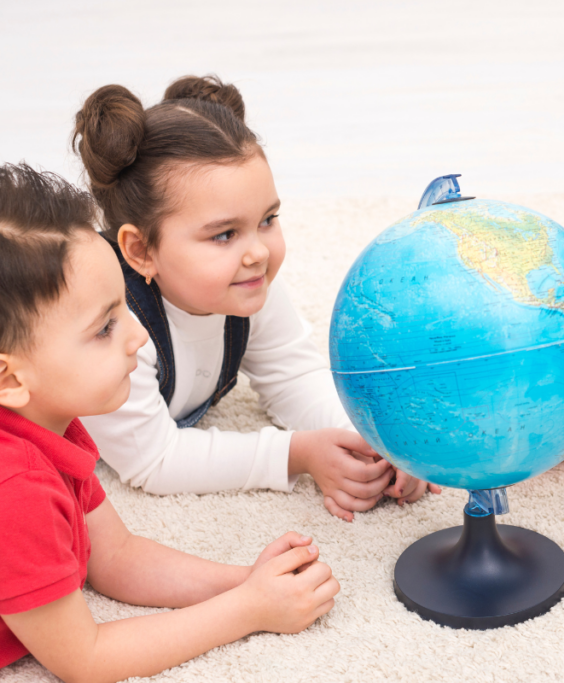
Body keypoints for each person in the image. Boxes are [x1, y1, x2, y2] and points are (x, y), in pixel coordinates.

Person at [0, 163, 339, 677]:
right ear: (10, 380)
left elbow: (114, 557)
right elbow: (85, 659)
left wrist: (247, 581)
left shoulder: (48, 423)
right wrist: (247, 611)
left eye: (125, 310)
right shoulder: (16, 489)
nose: (137, 337)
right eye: (104, 328)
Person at [73, 75, 438, 520]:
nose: (258, 252)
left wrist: (370, 440)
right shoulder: (109, 324)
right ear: (140, 250)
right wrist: (296, 454)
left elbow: (294, 376)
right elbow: (154, 459)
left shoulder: (245, 280)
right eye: (224, 234)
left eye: (267, 219)